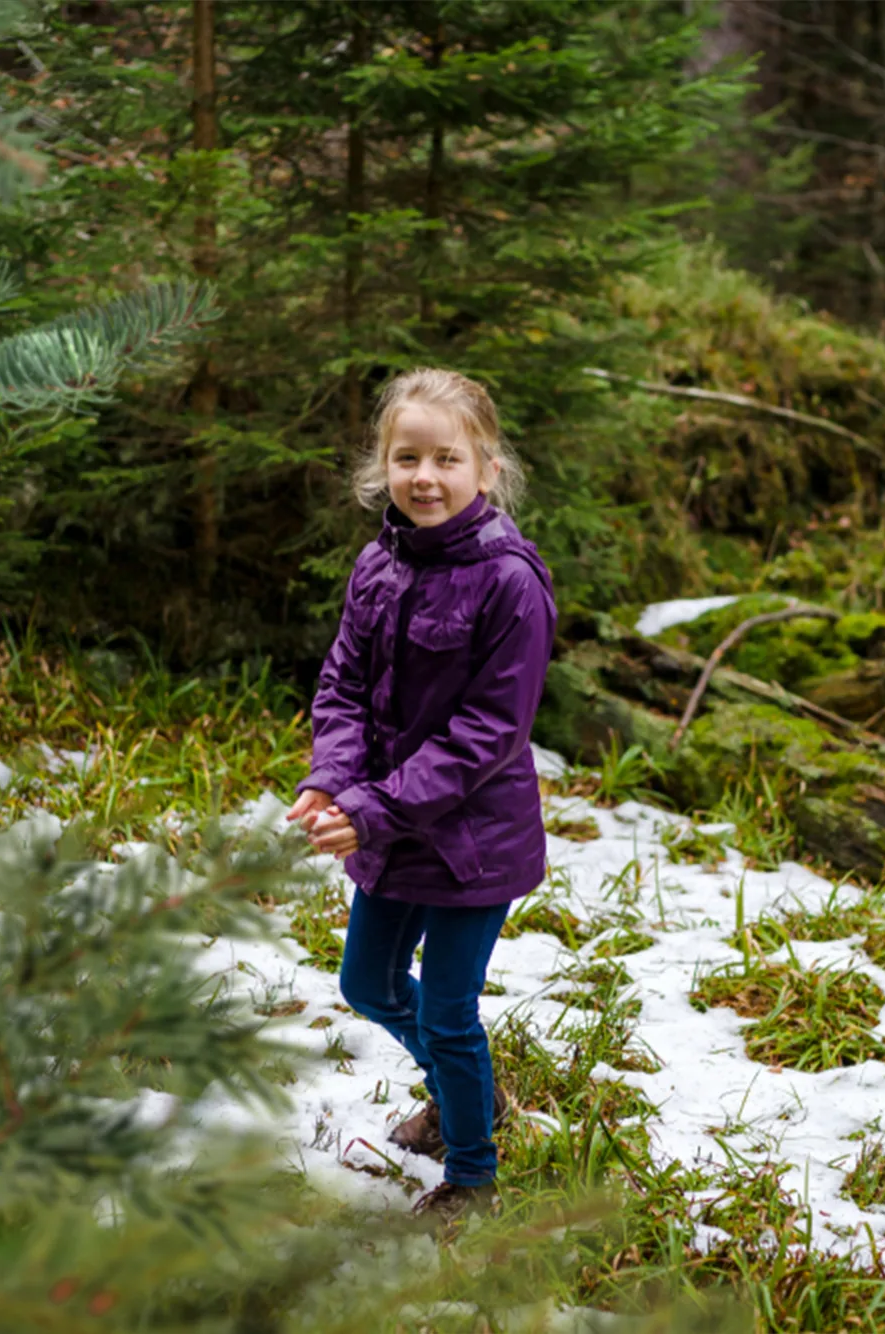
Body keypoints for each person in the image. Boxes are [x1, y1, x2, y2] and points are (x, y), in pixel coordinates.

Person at [286, 367, 557, 1226]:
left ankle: (472, 1171)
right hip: (391, 829)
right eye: (407, 458)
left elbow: (487, 733)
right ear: (383, 465)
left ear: (487, 466)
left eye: (447, 458)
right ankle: (463, 1091)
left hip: (474, 843)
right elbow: (342, 686)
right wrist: (333, 778)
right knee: (367, 981)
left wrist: (369, 808)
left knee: (446, 1007)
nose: (425, 477)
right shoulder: (380, 563)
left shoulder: (511, 581)